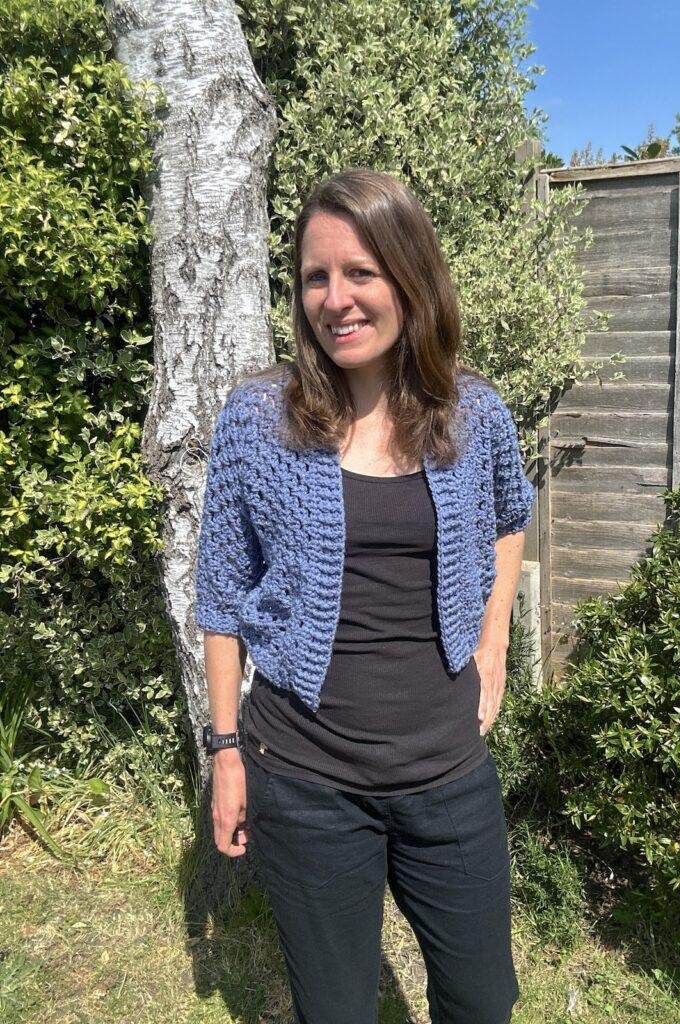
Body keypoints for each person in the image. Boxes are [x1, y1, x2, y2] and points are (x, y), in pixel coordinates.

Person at [195, 167, 536, 1024]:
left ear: (409, 277)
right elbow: (223, 593)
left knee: (484, 1001)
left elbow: (508, 516)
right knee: (337, 1009)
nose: (335, 298)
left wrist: (493, 639)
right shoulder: (257, 420)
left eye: (361, 272)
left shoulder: (474, 413)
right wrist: (226, 750)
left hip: (449, 770)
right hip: (303, 779)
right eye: (316, 275)